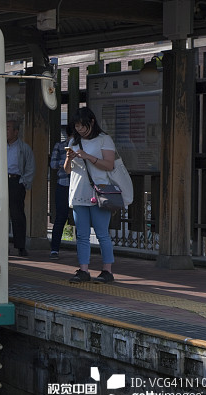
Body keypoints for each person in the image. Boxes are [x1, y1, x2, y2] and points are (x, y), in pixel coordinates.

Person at [63, 107, 116, 284]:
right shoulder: (73, 142)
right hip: (78, 192)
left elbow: (109, 165)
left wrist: (88, 157)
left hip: (99, 192)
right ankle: (83, 270)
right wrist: (69, 159)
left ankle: (107, 270)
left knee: (102, 234)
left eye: (82, 125)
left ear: (92, 122)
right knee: (82, 234)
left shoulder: (104, 140)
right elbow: (67, 171)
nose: (79, 129)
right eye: (76, 125)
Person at [6, 119, 35, 257]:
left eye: (8, 128)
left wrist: (24, 182)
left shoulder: (24, 148)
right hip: (0, 182)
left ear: (16, 132)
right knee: (0, 215)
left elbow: (30, 167)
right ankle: (2, 245)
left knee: (17, 215)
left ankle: (21, 247)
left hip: (15, 181)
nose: (5, 131)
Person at [48, 124, 74, 259]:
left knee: (80, 218)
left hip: (78, 187)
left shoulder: (82, 148)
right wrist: (67, 161)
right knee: (60, 217)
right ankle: (54, 249)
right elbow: (52, 164)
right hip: (63, 184)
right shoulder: (59, 146)